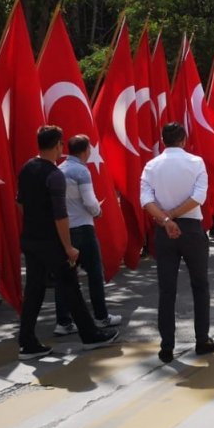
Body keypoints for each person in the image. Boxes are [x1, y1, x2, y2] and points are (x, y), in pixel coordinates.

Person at [15, 125, 117, 360]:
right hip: (52, 242)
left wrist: (33, 221)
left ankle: (27, 341)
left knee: (34, 290)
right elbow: (60, 216)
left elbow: (19, 203)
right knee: (70, 286)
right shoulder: (54, 175)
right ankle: (90, 336)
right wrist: (68, 246)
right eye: (61, 144)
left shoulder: (27, 168)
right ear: (59, 145)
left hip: (30, 239)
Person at [141, 122, 214, 364]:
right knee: (200, 285)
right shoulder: (196, 162)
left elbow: (145, 200)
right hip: (190, 228)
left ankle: (167, 346)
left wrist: (166, 219)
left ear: (163, 140)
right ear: (184, 139)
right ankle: (202, 339)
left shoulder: (151, 165)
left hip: (164, 230)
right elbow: (199, 197)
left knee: (167, 290)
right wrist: (174, 216)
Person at [57, 134, 122, 331]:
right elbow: (90, 202)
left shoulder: (59, 170)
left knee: (66, 276)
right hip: (83, 228)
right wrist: (98, 211)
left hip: (64, 229)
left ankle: (63, 321)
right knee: (95, 274)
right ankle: (101, 316)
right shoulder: (81, 171)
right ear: (86, 150)